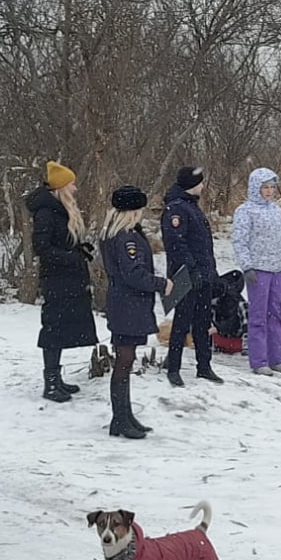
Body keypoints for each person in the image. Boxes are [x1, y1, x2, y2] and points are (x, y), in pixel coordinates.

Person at [100, 185, 172, 439]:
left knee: (125, 360)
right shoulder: (126, 238)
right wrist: (161, 283)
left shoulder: (115, 234)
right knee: (124, 360)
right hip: (128, 305)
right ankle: (120, 419)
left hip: (125, 304)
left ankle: (124, 415)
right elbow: (133, 274)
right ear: (132, 211)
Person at [27, 161, 97, 402]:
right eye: (72, 184)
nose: (76, 188)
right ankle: (51, 382)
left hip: (69, 278)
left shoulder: (61, 209)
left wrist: (79, 249)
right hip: (56, 279)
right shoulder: (45, 212)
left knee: (63, 327)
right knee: (53, 328)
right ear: (61, 187)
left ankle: (57, 378)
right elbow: (42, 248)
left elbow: (61, 242)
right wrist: (71, 257)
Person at [160, 166, 222, 387]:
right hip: (185, 275)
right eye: (200, 183)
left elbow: (204, 245)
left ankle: (204, 366)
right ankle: (173, 367)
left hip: (203, 275)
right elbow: (176, 243)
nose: (203, 186)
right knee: (181, 322)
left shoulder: (193, 207)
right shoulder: (176, 209)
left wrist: (212, 273)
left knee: (203, 322)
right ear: (191, 185)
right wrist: (191, 268)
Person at [233, 167, 281, 376]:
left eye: (271, 187)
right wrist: (247, 266)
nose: (269, 191)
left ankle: (276, 357)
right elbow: (240, 241)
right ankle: (259, 360)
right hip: (258, 270)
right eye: (265, 187)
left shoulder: (276, 210)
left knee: (275, 314)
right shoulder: (245, 211)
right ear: (255, 188)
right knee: (258, 316)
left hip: (277, 269)